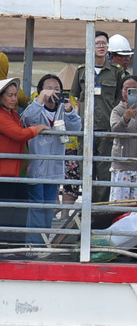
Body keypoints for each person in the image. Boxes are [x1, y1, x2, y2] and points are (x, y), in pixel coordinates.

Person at [73, 31, 132, 203]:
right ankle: (88, 206)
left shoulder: (116, 71)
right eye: (97, 43)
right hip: (86, 129)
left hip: (107, 129)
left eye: (104, 44)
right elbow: (75, 97)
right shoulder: (82, 70)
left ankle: (100, 209)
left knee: (105, 170)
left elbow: (121, 98)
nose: (101, 46)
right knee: (86, 169)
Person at [22, 75, 81, 247]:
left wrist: (70, 111)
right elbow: (28, 120)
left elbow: (75, 128)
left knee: (48, 209)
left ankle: (41, 244)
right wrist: (40, 99)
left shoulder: (63, 109)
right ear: (40, 91)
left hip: (54, 169)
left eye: (57, 89)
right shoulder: (35, 108)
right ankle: (32, 246)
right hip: (35, 168)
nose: (53, 92)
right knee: (36, 207)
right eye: (48, 88)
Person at [0, 78, 49, 245]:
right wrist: (38, 128)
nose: (14, 99)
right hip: (4, 174)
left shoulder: (12, 114)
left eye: (15, 95)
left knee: (17, 213)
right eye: (10, 95)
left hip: (17, 172)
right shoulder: (2, 116)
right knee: (5, 214)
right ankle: (6, 249)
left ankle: (15, 248)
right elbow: (19, 134)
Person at [108, 76, 137, 203]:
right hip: (122, 166)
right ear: (121, 91)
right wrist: (126, 118)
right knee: (119, 205)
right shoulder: (117, 111)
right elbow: (115, 132)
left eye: (134, 89)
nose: (129, 92)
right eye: (126, 89)